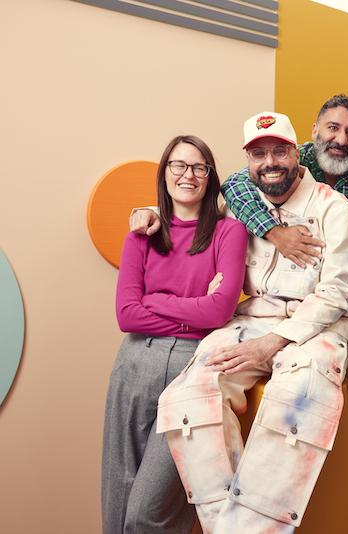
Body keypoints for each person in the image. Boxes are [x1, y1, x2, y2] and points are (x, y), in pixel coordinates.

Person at [155, 112, 348, 533]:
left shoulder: (334, 209)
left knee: (296, 393)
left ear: (296, 152)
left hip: (321, 328)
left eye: (279, 151)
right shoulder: (239, 204)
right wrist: (148, 213)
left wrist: (273, 343)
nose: (270, 162)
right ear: (248, 161)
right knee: (190, 390)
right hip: (254, 317)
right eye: (259, 154)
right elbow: (185, 213)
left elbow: (336, 294)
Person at [103, 135, 248, 533]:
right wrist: (193, 307)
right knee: (119, 498)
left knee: (150, 511)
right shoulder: (141, 234)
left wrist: (156, 301)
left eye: (199, 167)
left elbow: (219, 312)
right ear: (164, 174)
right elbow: (127, 316)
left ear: (210, 176)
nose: (189, 175)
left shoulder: (228, 232)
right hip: (134, 362)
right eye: (178, 166)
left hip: (192, 368)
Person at [130, 94, 348, 267]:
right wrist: (275, 233)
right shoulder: (292, 158)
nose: (341, 139)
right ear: (314, 131)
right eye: (332, 128)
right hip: (294, 290)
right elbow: (234, 185)